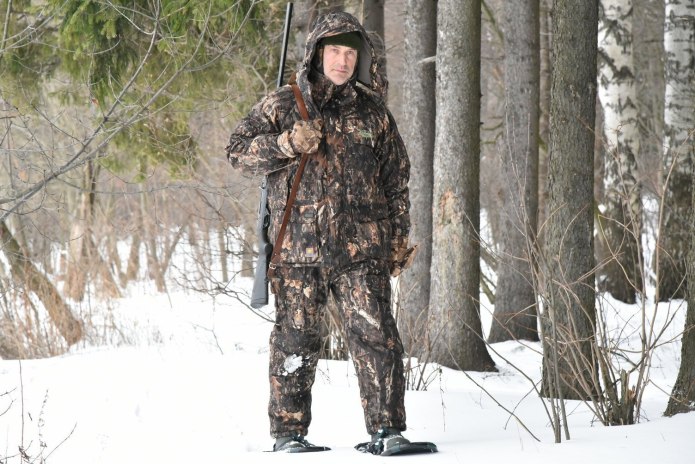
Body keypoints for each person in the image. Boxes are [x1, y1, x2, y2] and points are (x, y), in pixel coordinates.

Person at [225, 11, 417, 455]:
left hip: (361, 250)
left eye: (350, 52)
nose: (342, 60)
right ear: (316, 53)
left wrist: (396, 238)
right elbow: (236, 152)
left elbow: (396, 179)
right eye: (334, 51)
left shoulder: (373, 112)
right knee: (295, 341)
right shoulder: (282, 105)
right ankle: (289, 435)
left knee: (378, 338)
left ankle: (387, 431)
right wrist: (286, 144)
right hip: (298, 250)